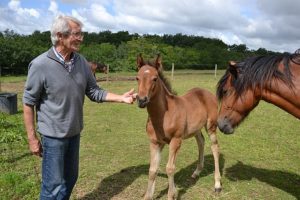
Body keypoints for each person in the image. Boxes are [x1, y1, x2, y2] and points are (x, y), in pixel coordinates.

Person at [23, 15, 136, 200]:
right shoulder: (40, 65)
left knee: (70, 179)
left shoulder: (81, 62)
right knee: (52, 187)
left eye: (81, 34)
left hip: (74, 134)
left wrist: (121, 98)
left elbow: (94, 91)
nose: (81, 38)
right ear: (60, 36)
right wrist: (32, 139)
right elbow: (28, 103)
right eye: (77, 34)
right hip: (53, 138)